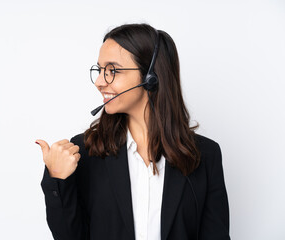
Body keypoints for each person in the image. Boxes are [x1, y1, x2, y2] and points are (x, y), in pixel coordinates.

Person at [35, 23, 230, 240]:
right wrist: (58, 179)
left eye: (112, 71)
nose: (99, 82)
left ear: (150, 77)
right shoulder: (87, 151)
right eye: (99, 70)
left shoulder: (205, 155)